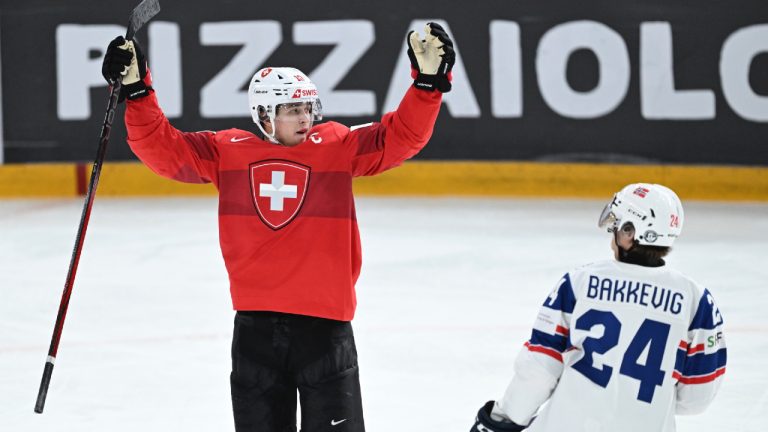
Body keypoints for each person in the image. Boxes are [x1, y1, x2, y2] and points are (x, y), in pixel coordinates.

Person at [101, 23, 455, 432]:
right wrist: (138, 92)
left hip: (325, 329)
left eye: (308, 108)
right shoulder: (228, 151)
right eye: (292, 109)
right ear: (265, 115)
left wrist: (427, 86)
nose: (305, 118)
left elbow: (400, 137)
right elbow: (165, 150)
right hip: (255, 331)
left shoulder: (337, 145)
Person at [471, 183, 726, 432]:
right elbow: (697, 397)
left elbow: (540, 368)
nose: (611, 233)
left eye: (616, 224)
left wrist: (502, 419)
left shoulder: (579, 283)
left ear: (629, 232)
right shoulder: (697, 300)